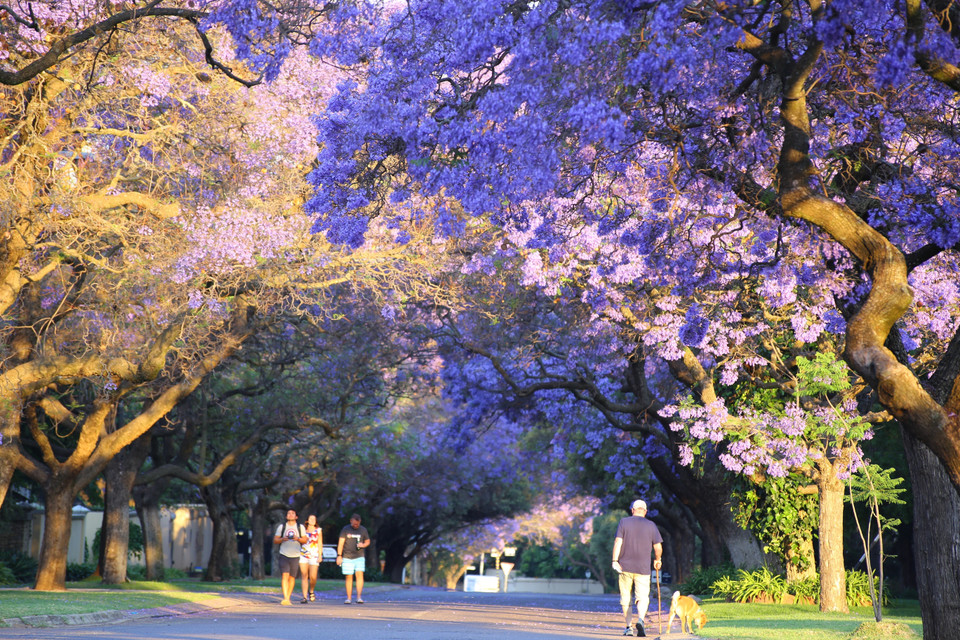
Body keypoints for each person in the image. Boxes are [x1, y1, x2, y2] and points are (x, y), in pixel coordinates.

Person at [612, 499, 663, 637]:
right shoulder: (651, 525)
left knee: (626, 598)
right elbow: (658, 547)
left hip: (624, 567)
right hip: (643, 568)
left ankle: (629, 627)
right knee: (642, 597)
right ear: (645, 512)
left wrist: (614, 560)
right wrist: (657, 560)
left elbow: (618, 541)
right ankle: (641, 619)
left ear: (632, 510)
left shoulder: (624, 522)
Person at [273, 509, 307, 606]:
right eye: (288, 513)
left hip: (295, 555)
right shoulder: (282, 527)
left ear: (296, 517)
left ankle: (288, 596)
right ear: (286, 516)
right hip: (284, 554)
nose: (290, 515)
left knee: (292, 577)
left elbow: (305, 540)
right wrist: (282, 539)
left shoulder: (300, 527)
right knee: (285, 575)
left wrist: (298, 539)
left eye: (293, 513)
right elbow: (275, 540)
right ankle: (285, 598)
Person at [336, 513, 371, 604]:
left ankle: (359, 597)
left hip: (359, 556)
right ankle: (348, 598)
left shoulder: (363, 530)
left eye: (358, 524)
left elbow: (367, 541)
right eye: (354, 524)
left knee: (359, 575)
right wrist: (339, 555)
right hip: (347, 556)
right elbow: (341, 543)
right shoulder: (345, 529)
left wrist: (363, 545)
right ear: (351, 521)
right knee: (348, 576)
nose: (356, 525)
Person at [299, 514, 323, 603]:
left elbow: (320, 543)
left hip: (314, 555)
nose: (312, 520)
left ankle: (311, 590)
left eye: (314, 519)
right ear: (307, 521)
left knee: (313, 577)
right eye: (310, 519)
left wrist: (320, 555)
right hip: (303, 554)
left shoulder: (318, 530)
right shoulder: (302, 530)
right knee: (304, 575)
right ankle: (304, 597)